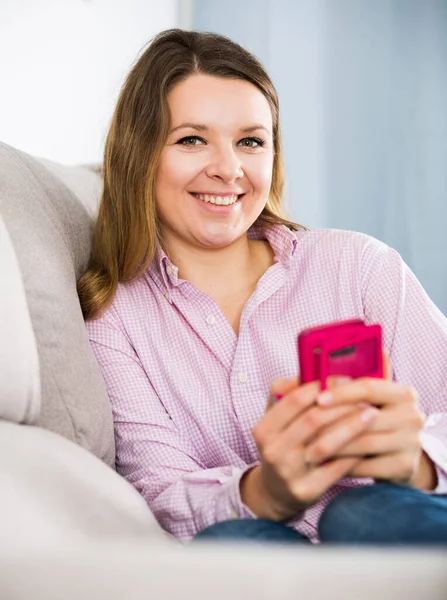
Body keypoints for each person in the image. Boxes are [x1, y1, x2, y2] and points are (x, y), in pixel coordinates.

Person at [78, 29, 447, 545]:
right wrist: (267, 491)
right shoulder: (114, 318)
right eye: (192, 139)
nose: (228, 169)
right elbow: (162, 492)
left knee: (356, 514)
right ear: (140, 155)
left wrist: (418, 463)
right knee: (232, 543)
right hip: (257, 544)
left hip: (394, 521)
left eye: (250, 141)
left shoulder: (358, 267)